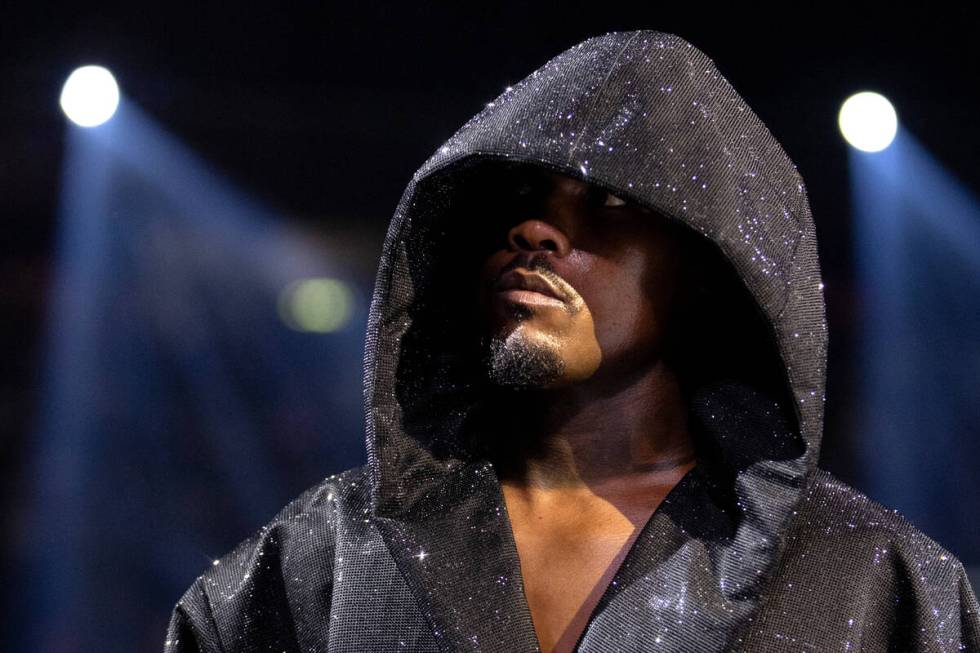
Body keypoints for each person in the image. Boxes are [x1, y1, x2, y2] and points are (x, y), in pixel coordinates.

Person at [165, 30, 980, 652]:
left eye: (610, 203)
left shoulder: (872, 582)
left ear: (708, 267)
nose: (534, 230)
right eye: (519, 199)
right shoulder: (320, 562)